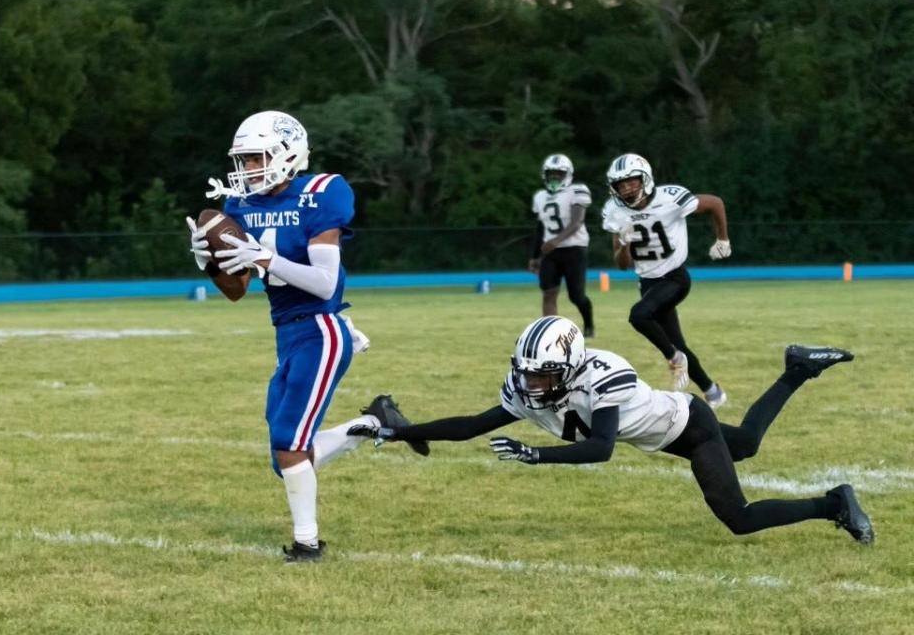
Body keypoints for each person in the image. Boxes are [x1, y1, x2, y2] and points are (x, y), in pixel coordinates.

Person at [349, 316, 874, 545]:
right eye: (527, 372)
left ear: (571, 365)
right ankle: (797, 368)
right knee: (750, 445)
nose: (532, 384)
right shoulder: (534, 385)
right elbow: (473, 425)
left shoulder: (604, 375)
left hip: (686, 425)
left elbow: (600, 449)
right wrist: (398, 432)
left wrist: (536, 456)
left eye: (542, 374)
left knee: (737, 517)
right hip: (661, 431)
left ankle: (833, 503)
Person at [185, 110, 428, 562]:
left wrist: (263, 257)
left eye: (257, 158)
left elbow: (323, 282)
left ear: (287, 154)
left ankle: (307, 544)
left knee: (288, 441)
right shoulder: (241, 206)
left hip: (322, 328)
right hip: (288, 333)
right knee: (285, 456)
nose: (248, 170)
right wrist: (211, 263)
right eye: (244, 160)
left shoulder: (319, 195)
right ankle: (374, 424)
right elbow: (237, 291)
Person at [601, 153, 730, 408]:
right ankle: (712, 390)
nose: (627, 188)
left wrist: (722, 238)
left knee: (639, 316)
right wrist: (624, 244)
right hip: (647, 284)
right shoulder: (615, 212)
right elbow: (622, 265)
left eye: (632, 181)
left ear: (645, 178)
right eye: (621, 184)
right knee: (677, 341)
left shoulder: (670, 198)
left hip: (675, 278)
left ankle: (673, 358)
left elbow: (715, 203)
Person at [528, 154, 595, 337]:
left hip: (575, 249)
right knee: (548, 292)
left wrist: (556, 241)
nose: (555, 177)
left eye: (559, 173)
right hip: (551, 252)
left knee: (576, 296)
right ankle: (550, 332)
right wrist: (535, 256)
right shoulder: (541, 196)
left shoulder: (577, 190)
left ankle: (588, 323)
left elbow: (576, 221)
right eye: (551, 174)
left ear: (568, 174)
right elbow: (541, 227)